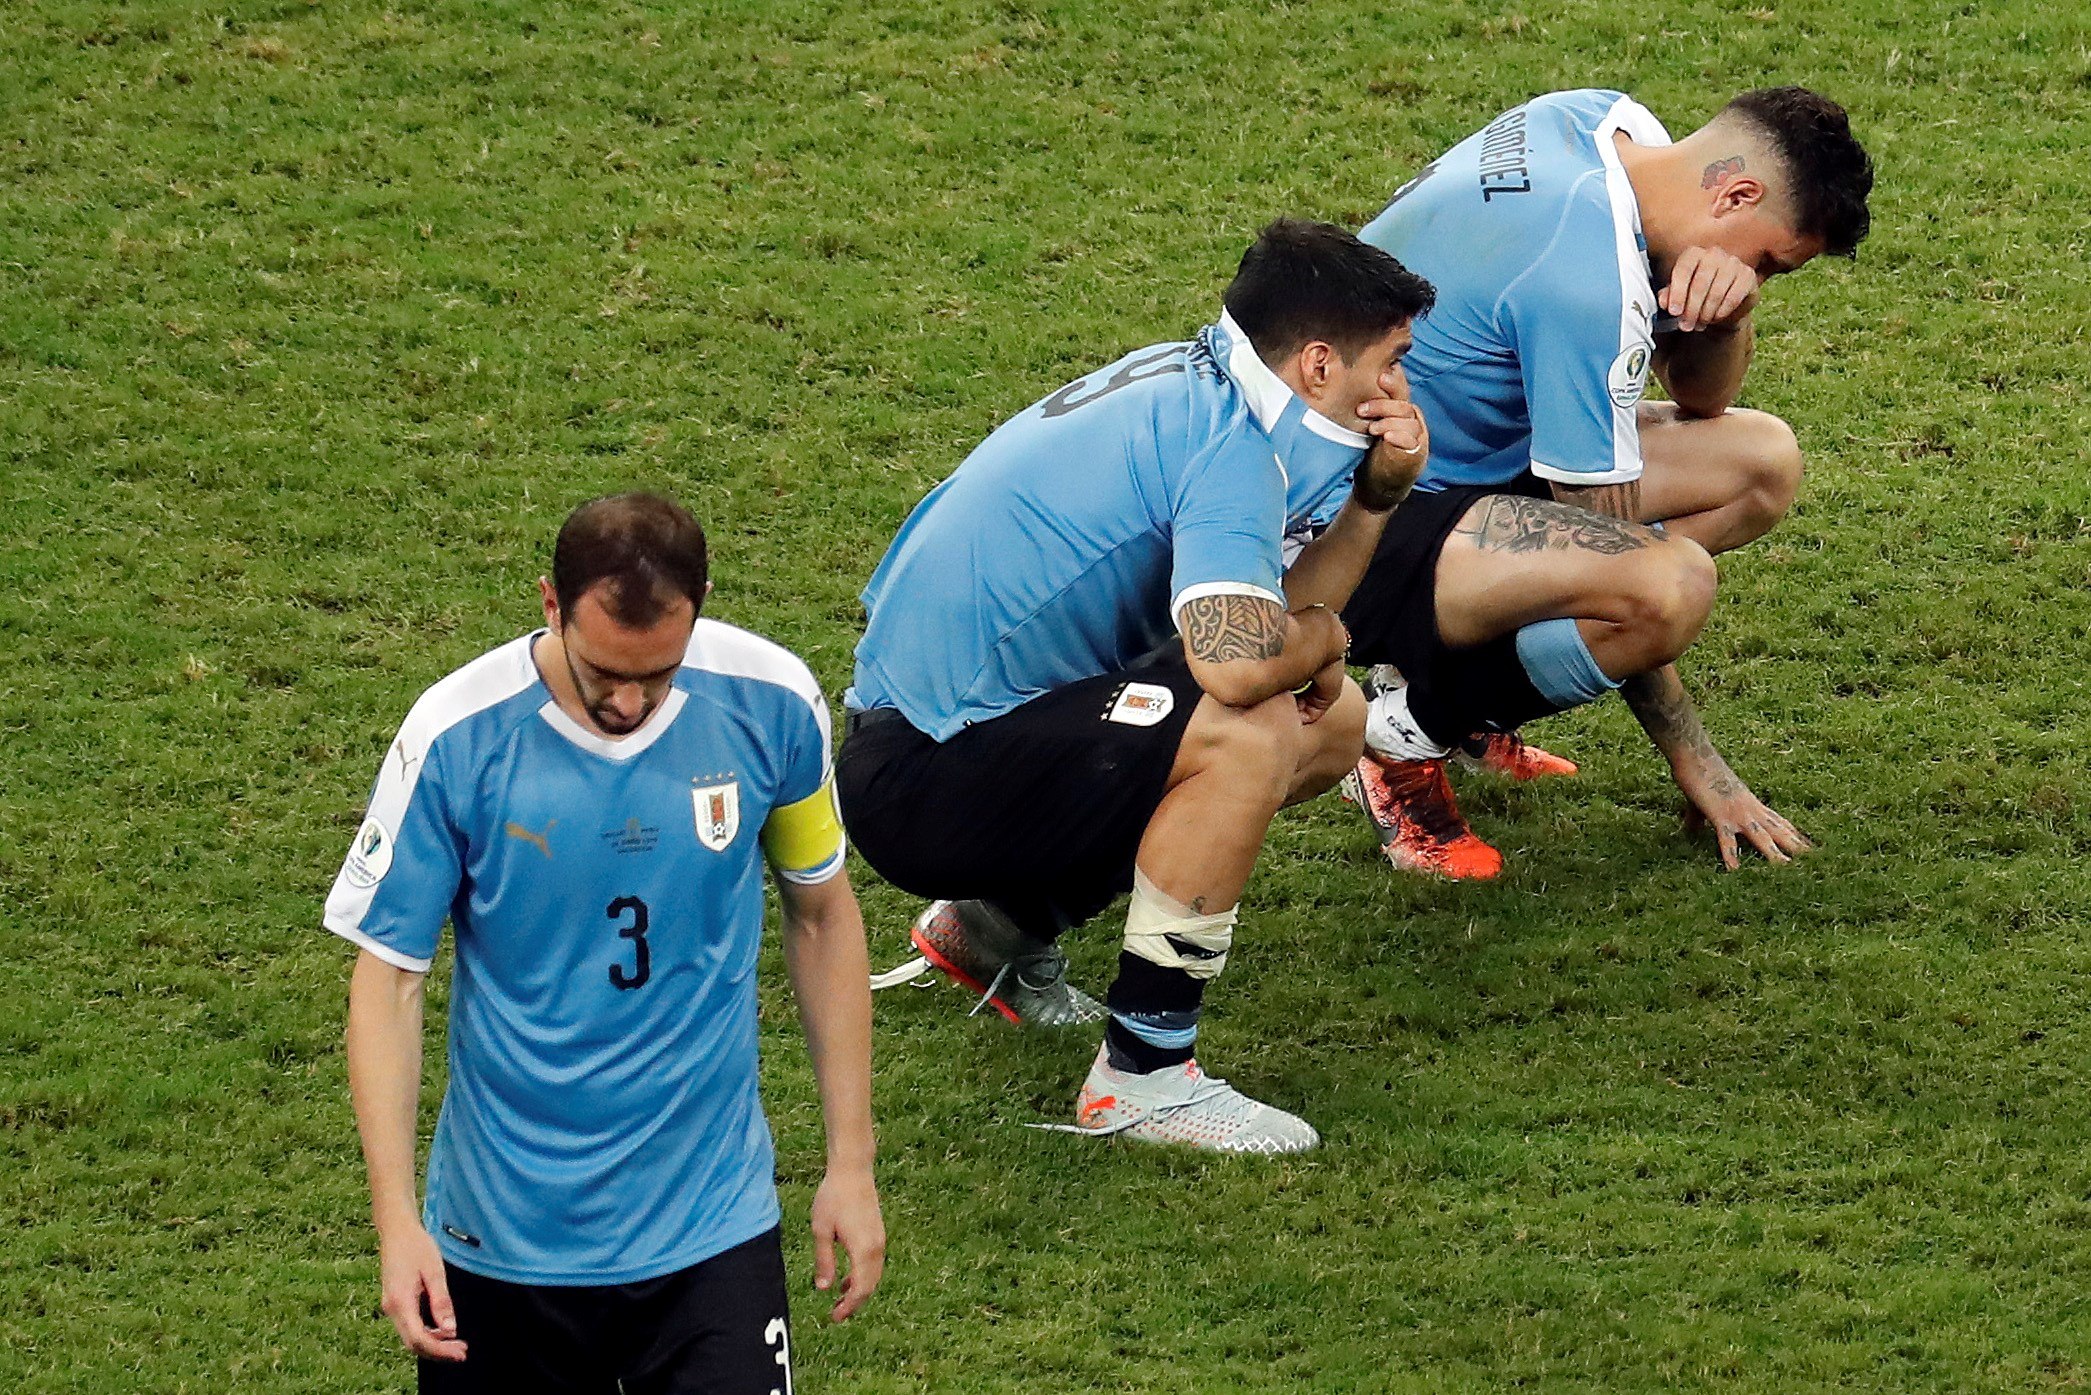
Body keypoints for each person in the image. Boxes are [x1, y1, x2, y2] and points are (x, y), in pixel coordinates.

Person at [837, 220, 1435, 1154]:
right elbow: (1239, 664)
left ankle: (994, 930)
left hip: (928, 734)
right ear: (1319, 364)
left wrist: (1372, 501)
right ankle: (1144, 1076)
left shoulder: (1191, 379)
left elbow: (1254, 616)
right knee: (1251, 730)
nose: (1398, 387)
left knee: (1336, 723)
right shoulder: (1233, 446)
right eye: (1391, 361)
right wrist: (1326, 636)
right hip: (921, 776)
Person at [326, 493, 883, 1392]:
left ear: (702, 599)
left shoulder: (774, 703)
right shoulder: (456, 736)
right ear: (551, 605)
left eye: (657, 674)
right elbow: (387, 976)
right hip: (503, 1239)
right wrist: (396, 1223)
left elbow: (821, 912)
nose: (628, 702)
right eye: (601, 673)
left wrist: (849, 1161)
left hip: (712, 1224)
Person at [1328, 86, 1874, 878]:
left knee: (1761, 463)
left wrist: (1724, 317)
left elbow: (1703, 400)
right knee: (1665, 587)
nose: (1755, 276)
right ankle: (1398, 735)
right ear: (1737, 193)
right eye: (1764, 261)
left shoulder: (1600, 121)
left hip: (1422, 456)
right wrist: (1699, 762)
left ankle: (1460, 662)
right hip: (1346, 519)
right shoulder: (1588, 278)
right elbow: (1614, 559)